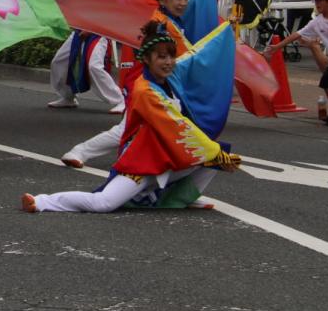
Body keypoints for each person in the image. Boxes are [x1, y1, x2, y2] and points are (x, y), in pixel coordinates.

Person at [22, 20, 241, 214]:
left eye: (171, 56)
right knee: (104, 203)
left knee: (215, 157)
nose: (168, 62)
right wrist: (214, 153)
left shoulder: (172, 75)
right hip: (142, 160)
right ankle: (43, 201)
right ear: (146, 59)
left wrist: (224, 33)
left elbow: (197, 58)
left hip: (168, 156)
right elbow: (176, 125)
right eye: (161, 57)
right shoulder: (145, 91)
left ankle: (178, 198)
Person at [60, 0, 193, 169]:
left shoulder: (170, 21)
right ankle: (80, 151)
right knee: (128, 129)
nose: (182, 3)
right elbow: (149, 59)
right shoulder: (158, 24)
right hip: (145, 84)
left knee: (175, 131)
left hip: (159, 84)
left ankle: (175, 179)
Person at [265, 0, 328, 124]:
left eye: (320, 0)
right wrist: (277, 47)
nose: (316, 3)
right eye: (315, 0)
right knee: (326, 82)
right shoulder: (316, 21)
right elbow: (297, 34)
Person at [46, 31, 124, 114]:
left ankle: (121, 100)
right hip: (79, 30)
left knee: (94, 66)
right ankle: (68, 97)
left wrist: (89, 30)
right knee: (59, 61)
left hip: (99, 33)